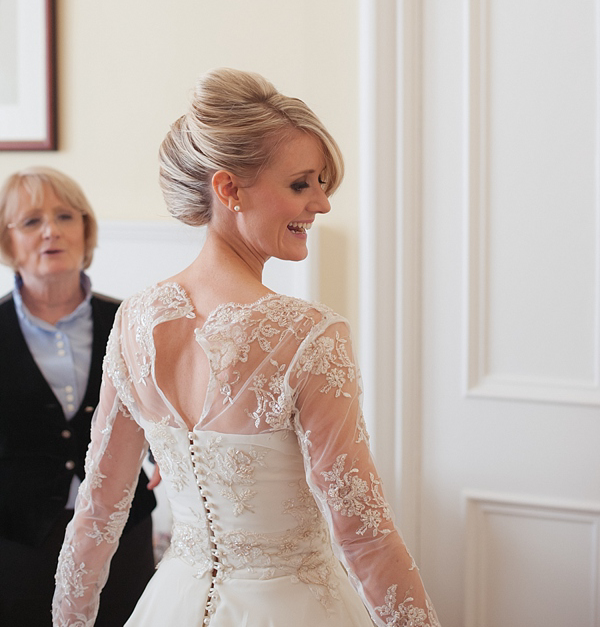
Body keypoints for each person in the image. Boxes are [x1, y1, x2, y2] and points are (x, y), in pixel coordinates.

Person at [53, 69, 440, 627]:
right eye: (302, 184)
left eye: (323, 183)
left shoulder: (131, 322)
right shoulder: (308, 335)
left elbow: (97, 512)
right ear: (229, 189)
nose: (323, 204)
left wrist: (70, 619)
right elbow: (363, 532)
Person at [0, 167, 157, 626]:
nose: (51, 231)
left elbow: (177, 405)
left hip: (122, 534)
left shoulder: (133, 321)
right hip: (18, 541)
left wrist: (179, 450)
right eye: (31, 221)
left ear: (85, 229)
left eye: (65, 216)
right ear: (8, 242)